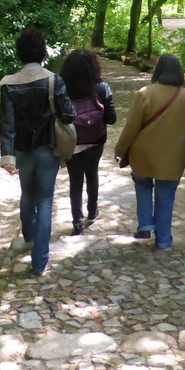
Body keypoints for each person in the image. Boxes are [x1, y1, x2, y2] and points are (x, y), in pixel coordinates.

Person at [0, 27, 74, 276]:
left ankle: (29, 237)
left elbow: (7, 123)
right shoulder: (53, 80)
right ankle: (40, 261)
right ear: (43, 53)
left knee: (27, 194)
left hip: (22, 150)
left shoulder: (8, 83)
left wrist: (6, 156)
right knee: (44, 200)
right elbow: (67, 114)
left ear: (19, 54)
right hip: (47, 150)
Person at [113, 54, 185, 250]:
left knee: (142, 184)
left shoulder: (145, 93)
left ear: (158, 70)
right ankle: (164, 239)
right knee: (166, 195)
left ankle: (145, 224)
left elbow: (132, 127)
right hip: (173, 157)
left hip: (144, 154)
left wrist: (120, 149)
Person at [59, 48, 117, 236]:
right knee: (92, 174)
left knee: (75, 181)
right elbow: (111, 119)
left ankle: (77, 222)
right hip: (95, 139)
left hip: (72, 140)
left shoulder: (62, 88)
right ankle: (93, 211)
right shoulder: (101, 88)